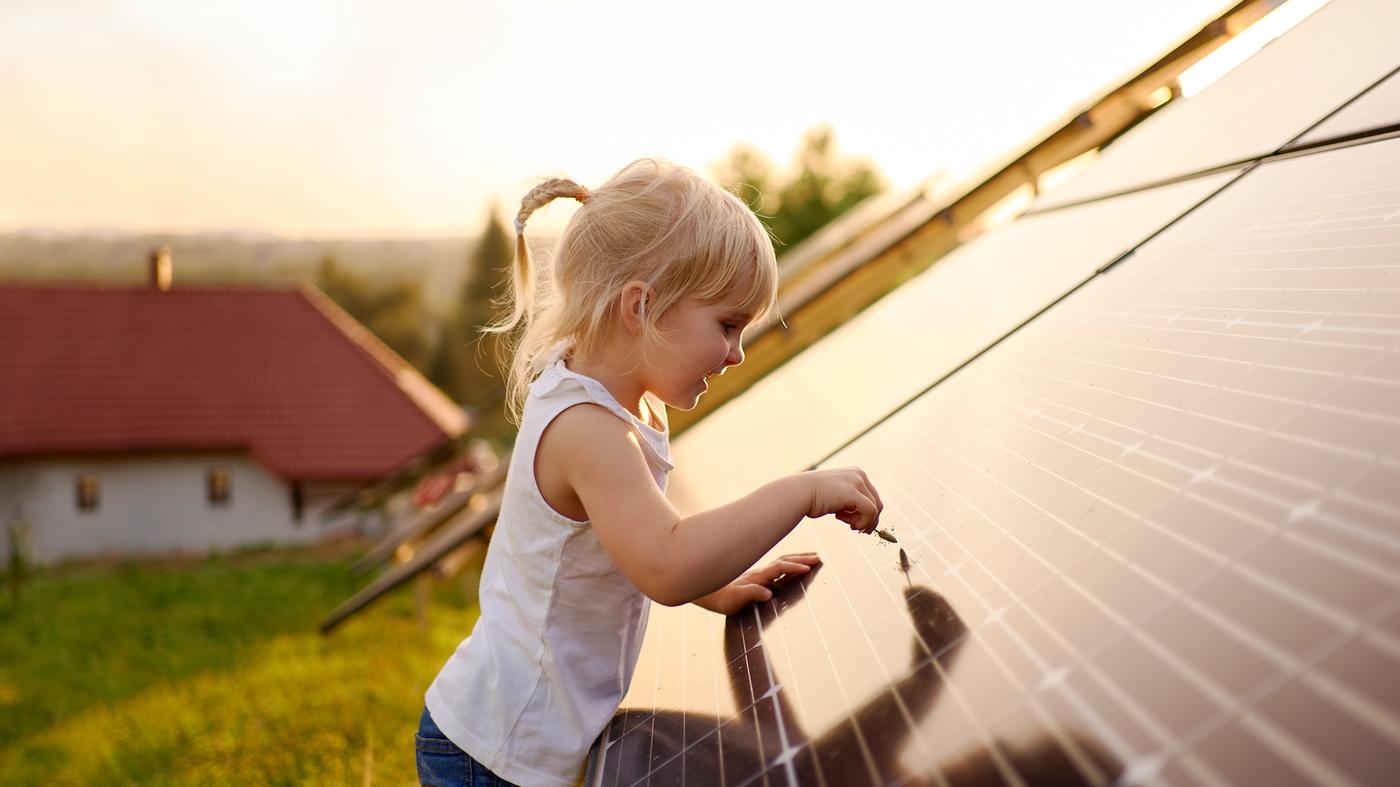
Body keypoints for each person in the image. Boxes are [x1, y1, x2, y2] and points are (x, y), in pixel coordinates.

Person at [416, 158, 885, 787]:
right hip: (493, 752)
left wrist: (717, 586)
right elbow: (665, 563)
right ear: (641, 306)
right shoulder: (588, 429)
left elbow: (634, 539)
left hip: (515, 741)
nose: (737, 353)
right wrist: (802, 491)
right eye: (727, 325)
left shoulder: (620, 399)